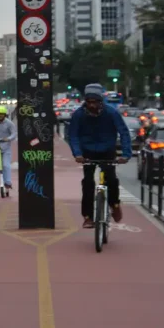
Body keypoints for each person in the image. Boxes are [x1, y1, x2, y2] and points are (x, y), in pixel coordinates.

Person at [68, 83, 131, 228]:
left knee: (111, 179)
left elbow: (124, 133)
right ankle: (88, 216)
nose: (92, 105)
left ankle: (114, 204)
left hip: (107, 150)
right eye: (89, 102)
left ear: (100, 101)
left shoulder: (111, 113)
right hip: (87, 152)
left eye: (95, 102)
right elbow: (73, 136)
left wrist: (126, 155)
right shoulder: (79, 115)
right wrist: (77, 154)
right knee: (88, 183)